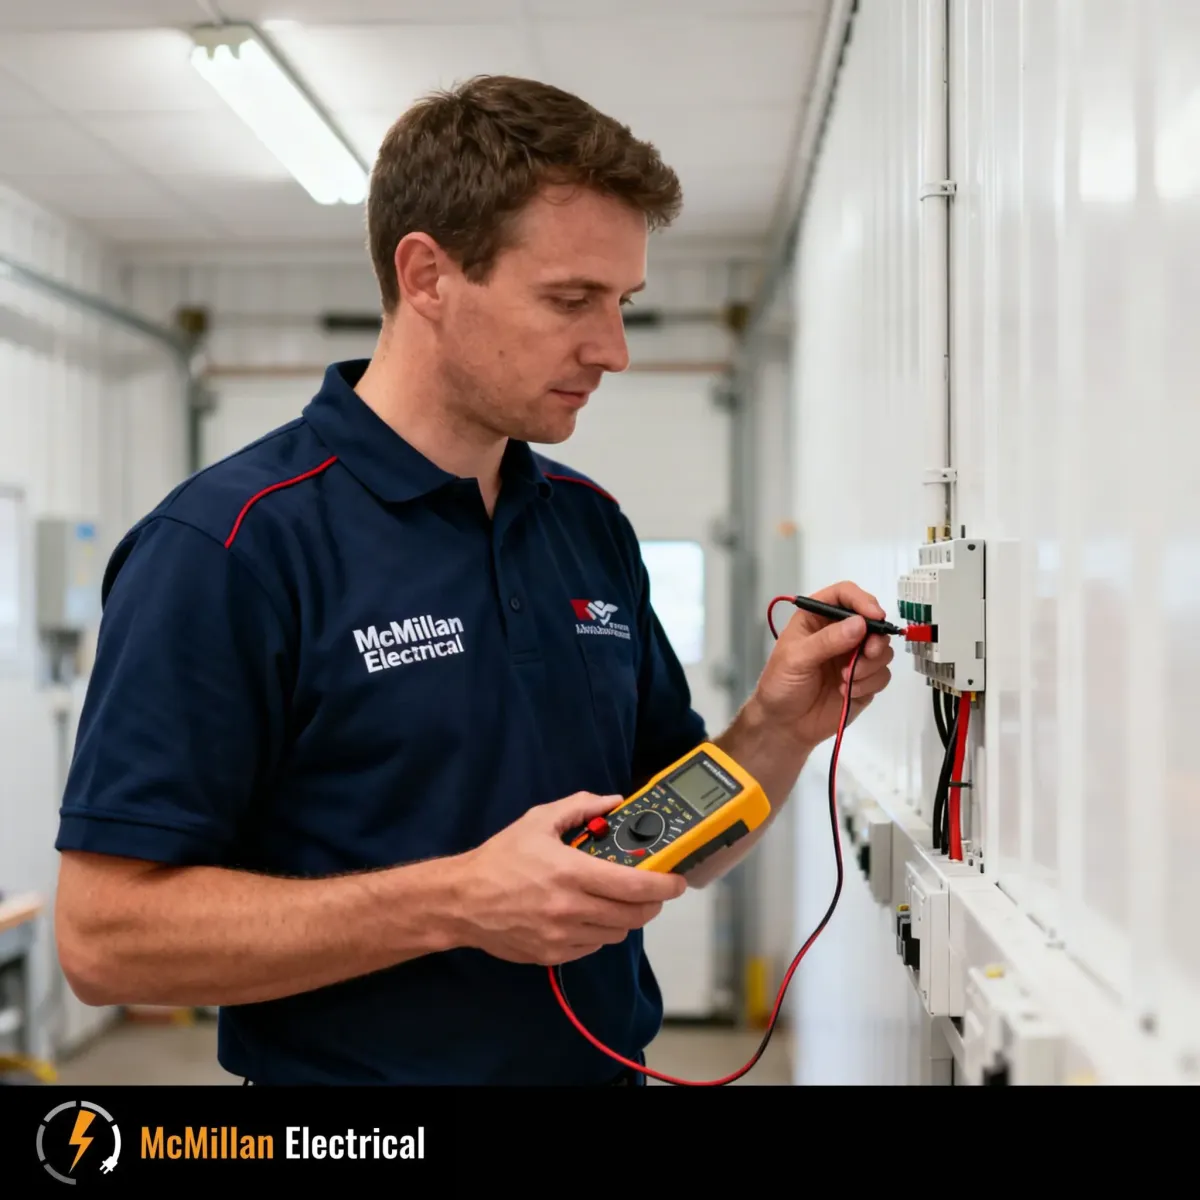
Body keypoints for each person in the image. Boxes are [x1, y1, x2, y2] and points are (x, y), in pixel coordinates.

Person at [52, 75, 895, 1086]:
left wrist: (780, 725)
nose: (614, 350)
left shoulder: (587, 525)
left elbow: (669, 843)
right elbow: (106, 940)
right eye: (570, 300)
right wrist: (456, 902)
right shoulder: (228, 545)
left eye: (622, 304)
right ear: (427, 276)